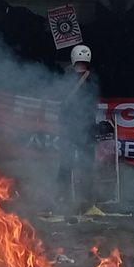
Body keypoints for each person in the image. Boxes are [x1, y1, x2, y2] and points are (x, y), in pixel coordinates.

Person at [57, 44, 99, 211]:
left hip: (68, 128)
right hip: (87, 128)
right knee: (87, 165)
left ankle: (61, 200)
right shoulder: (92, 78)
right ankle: (88, 203)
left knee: (65, 165)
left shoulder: (65, 77)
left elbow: (59, 98)